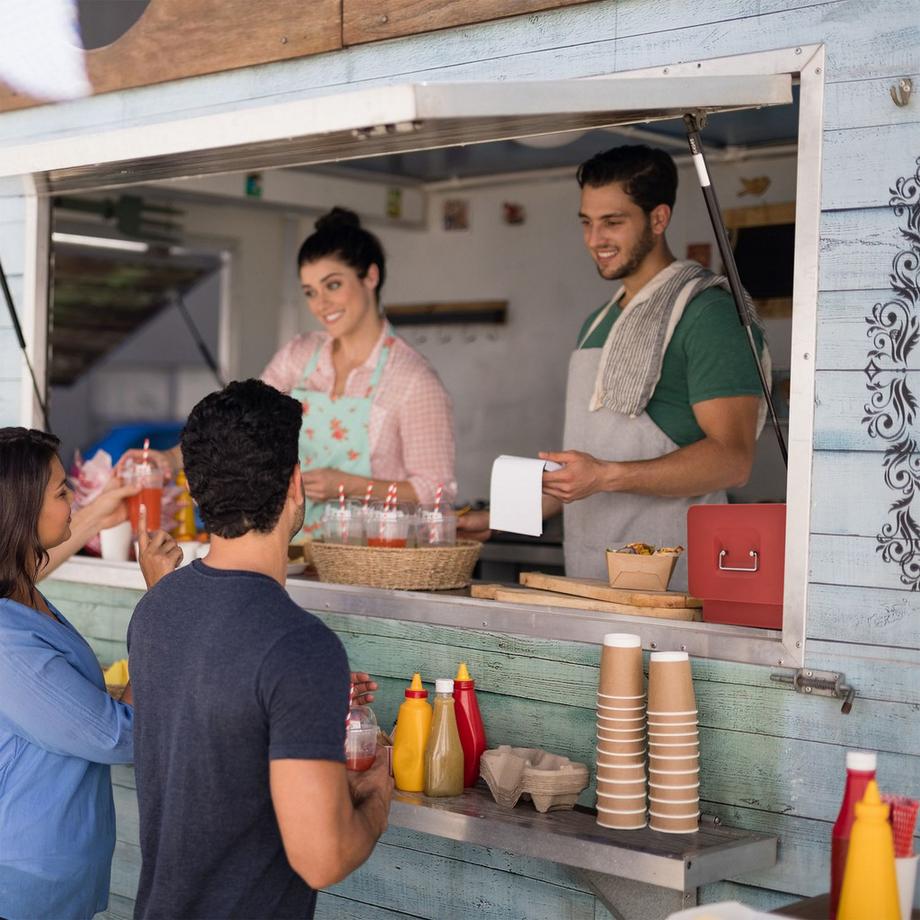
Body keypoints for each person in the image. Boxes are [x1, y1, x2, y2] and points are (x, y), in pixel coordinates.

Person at [127, 379, 393, 919]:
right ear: (295, 485)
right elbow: (323, 860)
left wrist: (306, 711)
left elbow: (220, 742)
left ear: (197, 494)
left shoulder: (157, 608)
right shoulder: (301, 646)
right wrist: (375, 795)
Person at [460, 145, 768, 588]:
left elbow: (733, 460)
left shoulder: (707, 314)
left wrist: (605, 476)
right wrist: (498, 519)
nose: (594, 239)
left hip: (670, 586)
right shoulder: (599, 323)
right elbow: (580, 480)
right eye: (586, 222)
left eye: (613, 222)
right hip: (591, 578)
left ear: (658, 219)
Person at [128, 207, 457, 540]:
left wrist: (348, 486)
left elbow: (436, 488)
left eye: (333, 285)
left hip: (371, 558)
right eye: (310, 292)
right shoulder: (300, 355)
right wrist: (169, 458)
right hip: (292, 552)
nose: (321, 304)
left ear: (370, 277)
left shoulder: (412, 379)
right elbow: (240, 422)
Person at [0, 428, 179, 920]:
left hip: (52, 871)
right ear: (19, 511)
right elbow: (120, 738)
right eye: (62, 491)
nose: (72, 495)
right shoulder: (6, 639)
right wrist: (158, 602)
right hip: (25, 880)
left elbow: (25, 566)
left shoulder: (18, 592)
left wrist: (99, 512)